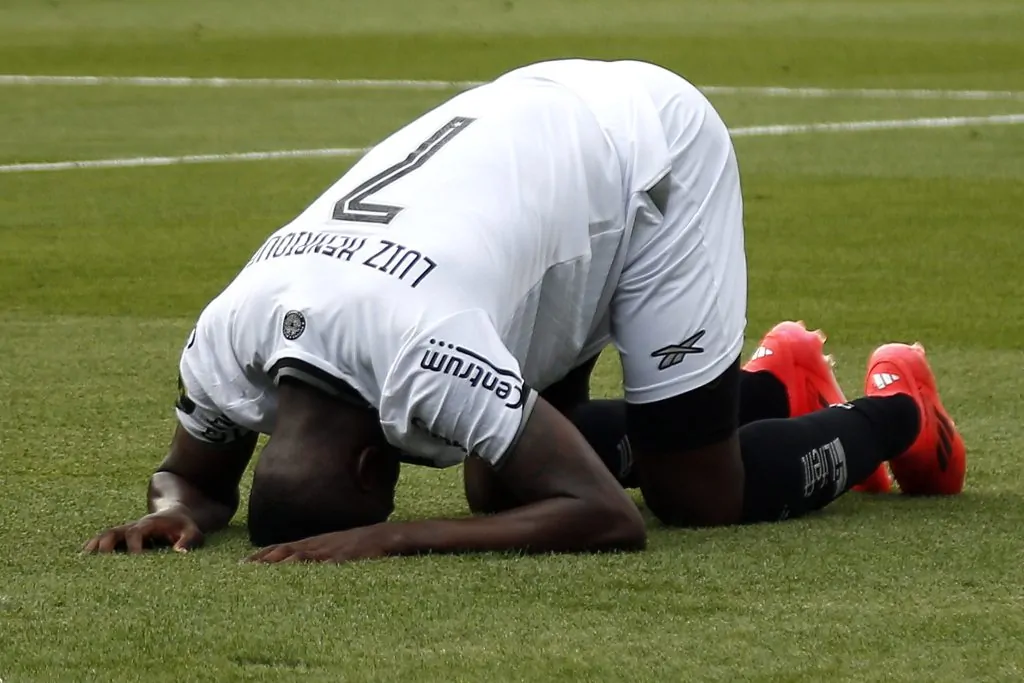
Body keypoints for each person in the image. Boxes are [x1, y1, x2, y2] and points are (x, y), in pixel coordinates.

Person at [83, 59, 966, 563]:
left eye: (382, 494)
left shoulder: (425, 351)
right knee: (503, 483)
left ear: (369, 462)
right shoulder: (227, 335)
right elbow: (196, 476)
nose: (393, 490)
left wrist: (395, 539)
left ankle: (899, 413)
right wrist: (178, 509)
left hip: (643, 149)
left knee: (696, 491)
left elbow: (609, 518)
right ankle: (775, 388)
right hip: (534, 135)